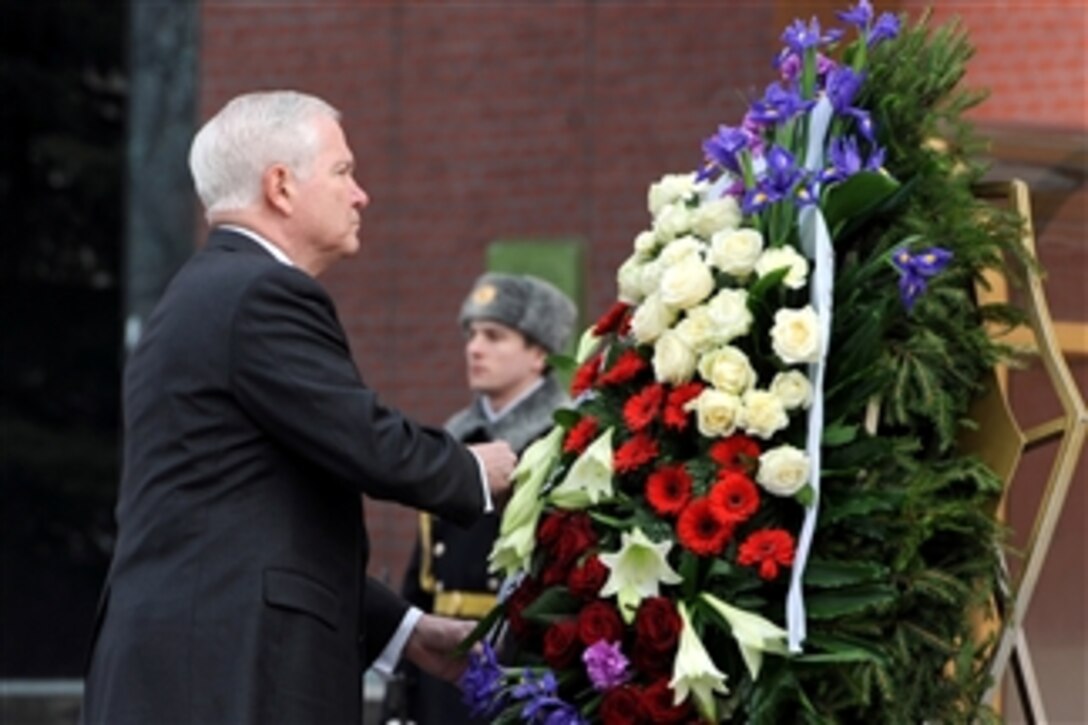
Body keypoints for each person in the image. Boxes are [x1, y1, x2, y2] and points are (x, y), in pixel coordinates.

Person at [79, 90, 517, 725]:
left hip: (191, 669)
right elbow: (366, 440)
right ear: (280, 187)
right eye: (343, 172)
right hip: (220, 680)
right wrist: (478, 471)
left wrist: (406, 630)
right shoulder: (259, 292)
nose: (361, 194)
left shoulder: (207, 292)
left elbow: (250, 522)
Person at [385, 273, 577, 724]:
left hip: (519, 665)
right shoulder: (452, 439)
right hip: (441, 668)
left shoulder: (563, 443)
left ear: (539, 353)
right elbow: (423, 576)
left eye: (495, 336)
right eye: (471, 334)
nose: (474, 348)